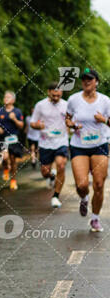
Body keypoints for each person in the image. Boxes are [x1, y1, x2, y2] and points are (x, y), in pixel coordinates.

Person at [66, 68, 110, 232]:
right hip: (79, 146)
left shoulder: (105, 101)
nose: (86, 82)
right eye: (84, 79)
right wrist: (71, 125)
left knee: (99, 184)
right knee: (82, 184)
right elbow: (68, 119)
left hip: (100, 145)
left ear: (96, 82)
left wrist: (104, 120)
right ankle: (84, 198)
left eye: (90, 79)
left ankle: (95, 218)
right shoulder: (73, 99)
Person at [30, 83, 69, 208]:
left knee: (61, 165)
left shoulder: (67, 105)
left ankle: (56, 196)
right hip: (46, 142)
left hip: (61, 140)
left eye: (58, 93)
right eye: (54, 93)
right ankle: (51, 175)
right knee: (44, 172)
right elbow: (32, 123)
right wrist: (38, 125)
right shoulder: (40, 105)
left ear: (62, 92)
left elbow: (72, 120)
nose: (56, 96)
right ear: (48, 92)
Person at [0, 91, 24, 190]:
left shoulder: (17, 112)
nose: (6, 99)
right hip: (2, 138)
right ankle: (6, 168)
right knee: (4, 157)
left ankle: (13, 180)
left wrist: (14, 119)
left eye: (8, 97)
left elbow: (21, 126)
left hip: (13, 138)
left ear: (13, 100)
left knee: (13, 159)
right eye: (5, 97)